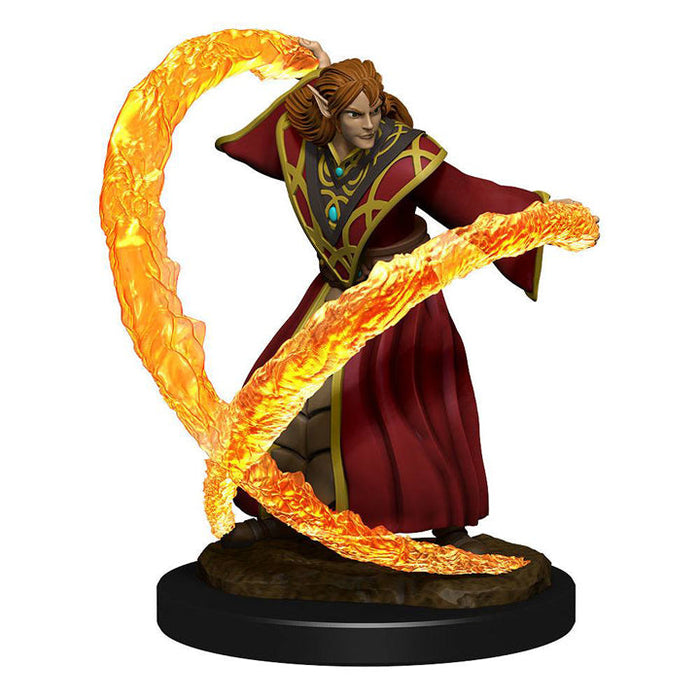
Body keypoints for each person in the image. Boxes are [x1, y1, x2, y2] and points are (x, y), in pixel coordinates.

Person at [215, 42, 548, 552]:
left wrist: (535, 220)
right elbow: (267, 143)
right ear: (329, 113)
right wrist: (318, 75)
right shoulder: (309, 152)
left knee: (399, 412)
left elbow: (466, 199)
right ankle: (283, 515)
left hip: (397, 300)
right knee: (283, 397)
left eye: (374, 111)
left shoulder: (404, 158)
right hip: (334, 294)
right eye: (355, 114)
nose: (370, 124)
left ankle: (447, 525)